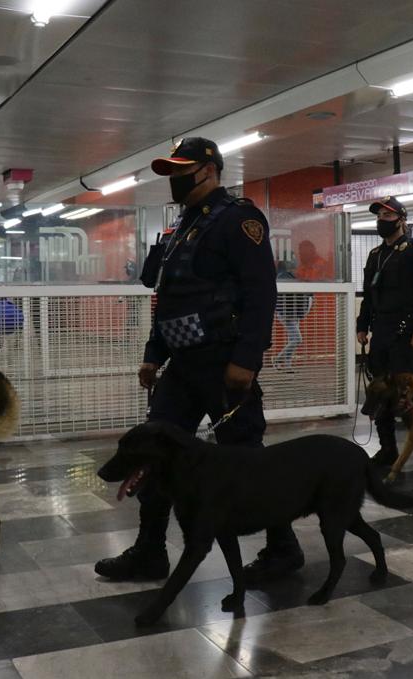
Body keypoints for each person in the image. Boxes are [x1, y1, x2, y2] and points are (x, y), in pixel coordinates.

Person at [94, 137, 304, 583]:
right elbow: (167, 296)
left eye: (180, 169)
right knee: (155, 453)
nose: (173, 178)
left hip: (224, 361)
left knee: (246, 456)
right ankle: (150, 550)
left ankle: (283, 548)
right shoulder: (181, 228)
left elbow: (260, 292)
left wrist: (247, 358)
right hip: (181, 366)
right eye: (169, 171)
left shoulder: (239, 220)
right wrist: (154, 354)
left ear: (209, 169)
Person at [355, 196, 413, 465]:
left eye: (388, 216)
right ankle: (388, 448)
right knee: (379, 393)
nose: (382, 221)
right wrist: (362, 325)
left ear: (401, 220)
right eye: (379, 216)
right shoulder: (376, 255)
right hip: (381, 333)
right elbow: (370, 295)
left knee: (408, 397)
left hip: (408, 335)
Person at [273, 261, 312, 372]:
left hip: (293, 314)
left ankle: (288, 366)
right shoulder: (284, 276)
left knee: (292, 340)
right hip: (288, 315)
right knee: (297, 339)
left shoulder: (286, 276)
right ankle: (277, 360)